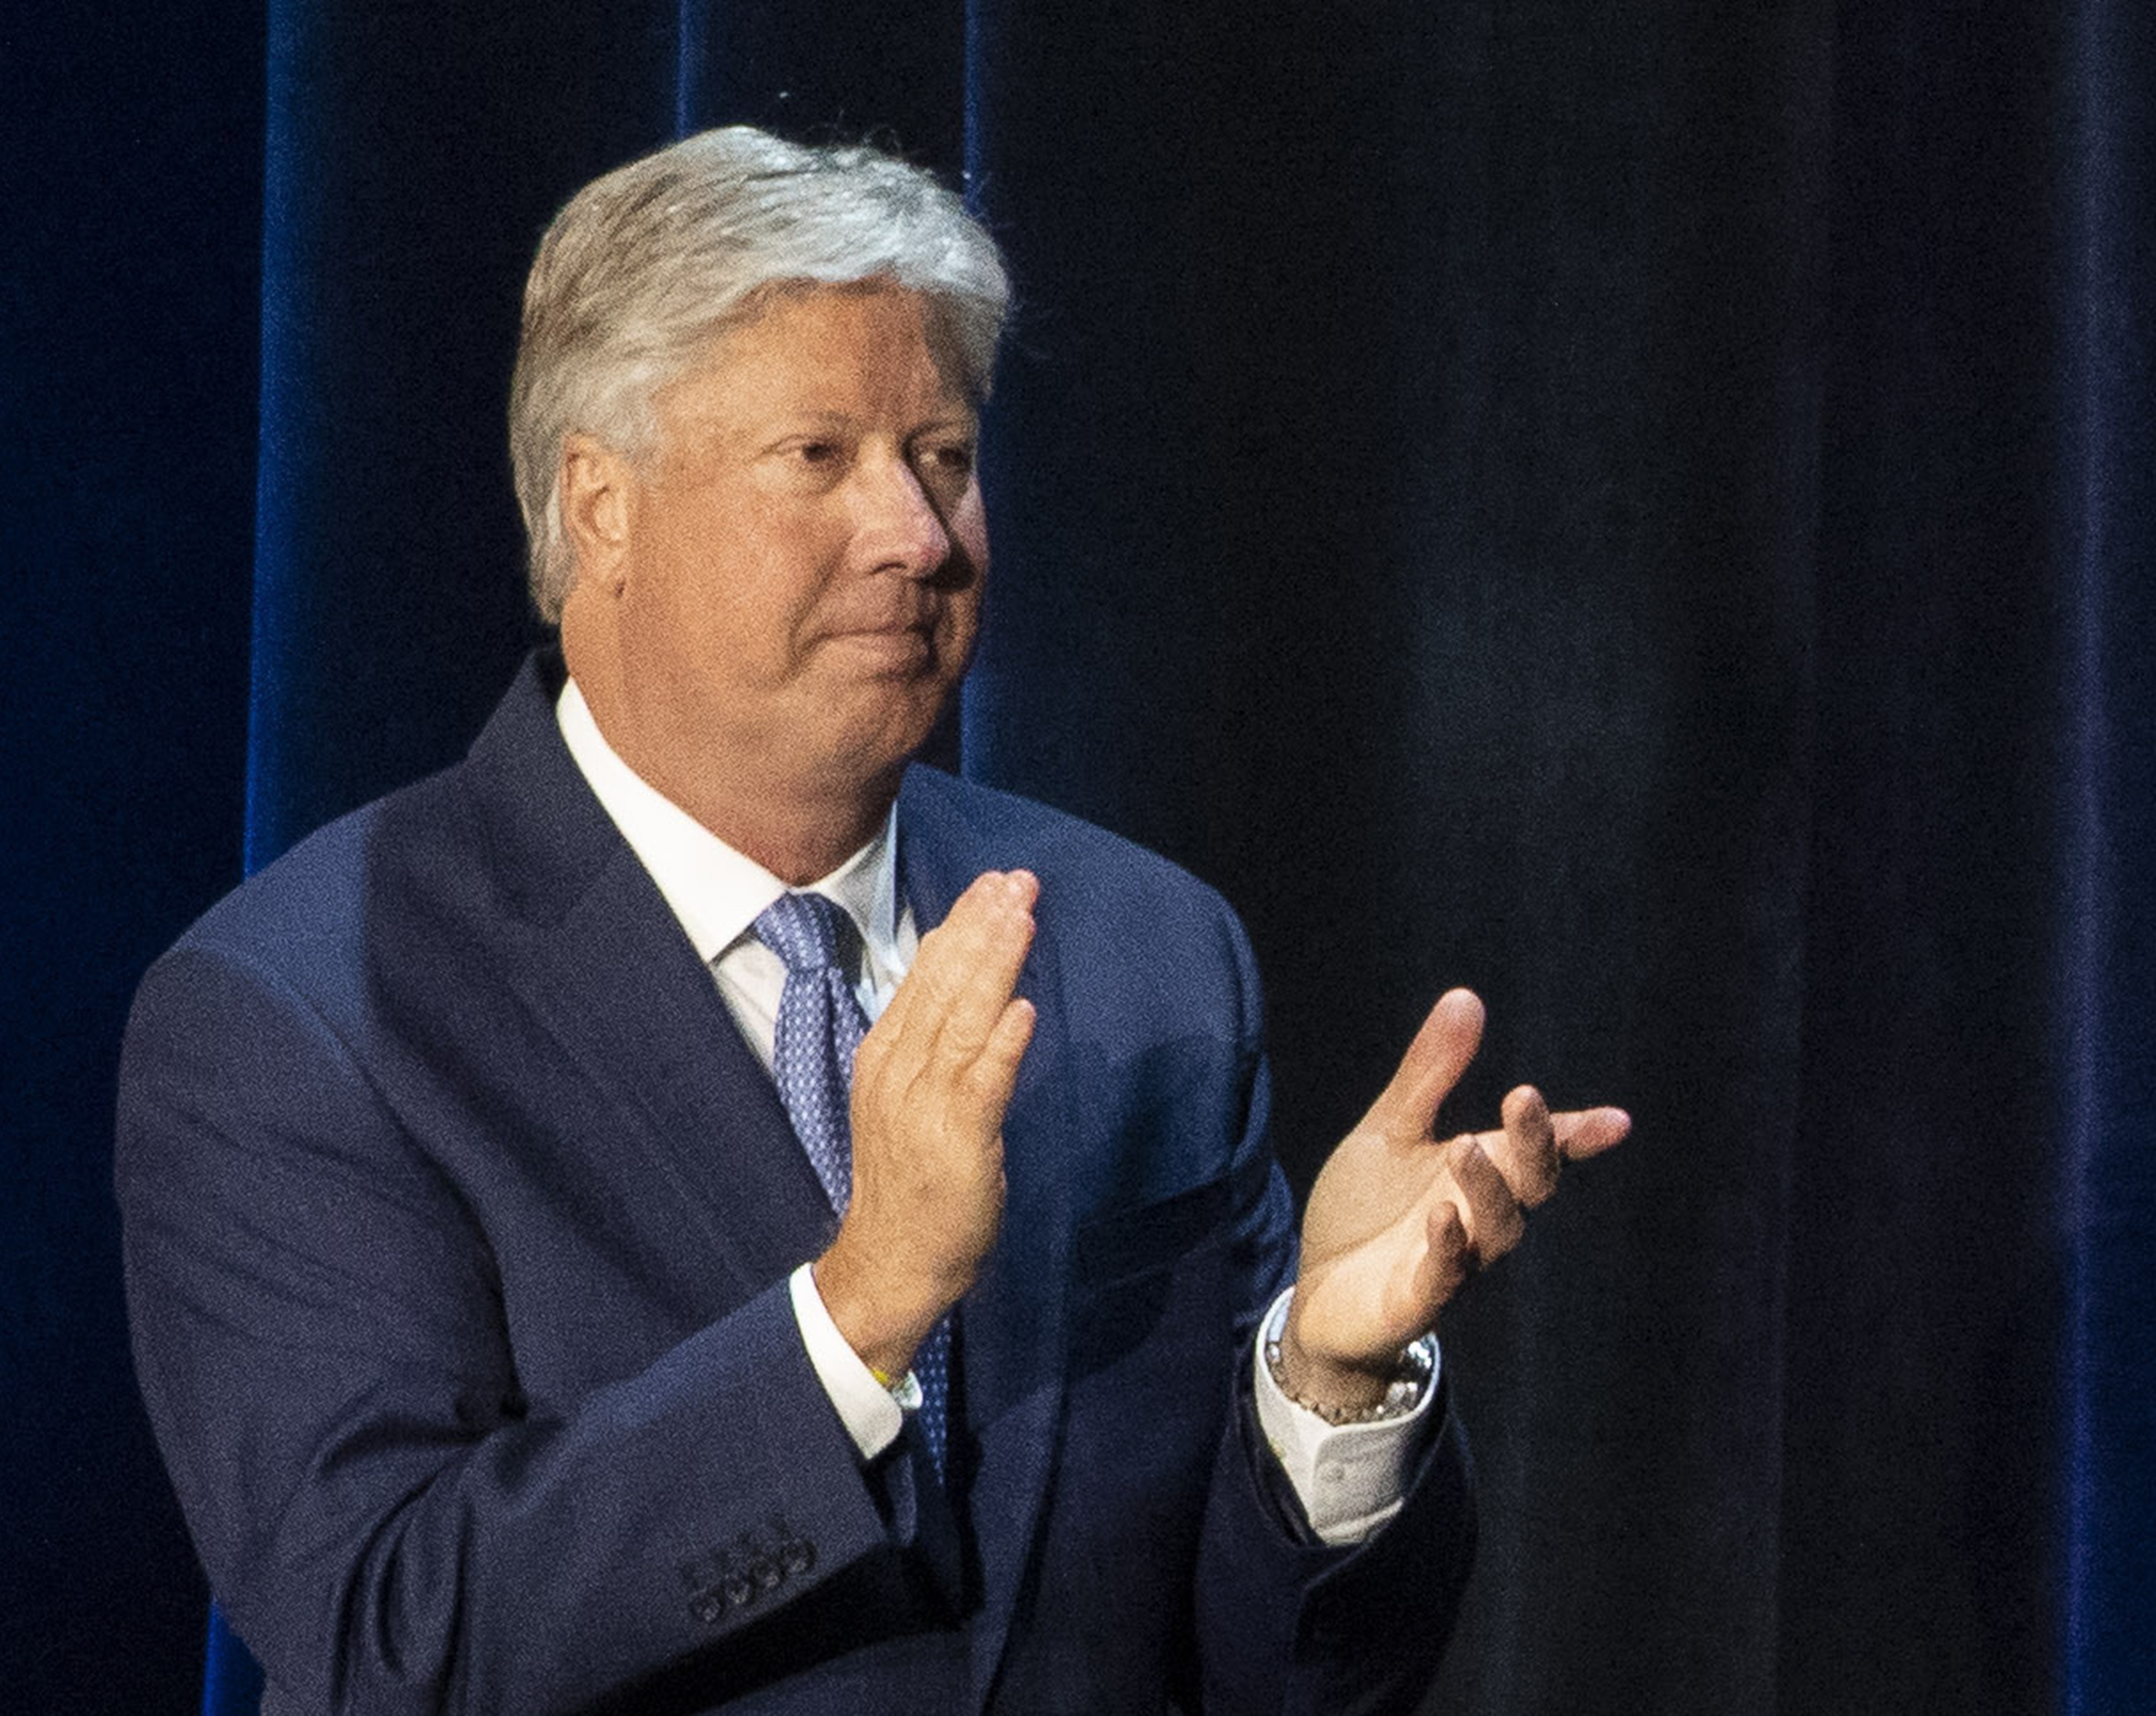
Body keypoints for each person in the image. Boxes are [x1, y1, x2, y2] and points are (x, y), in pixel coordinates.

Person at [117, 126, 1627, 1715]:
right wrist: (856, 1314)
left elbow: (1291, 1679)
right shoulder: (300, 1012)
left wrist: (1328, 1380)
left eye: (945, 458)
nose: (917, 535)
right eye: (822, 457)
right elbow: (389, 1631)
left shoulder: (1145, 954)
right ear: (601, 505)